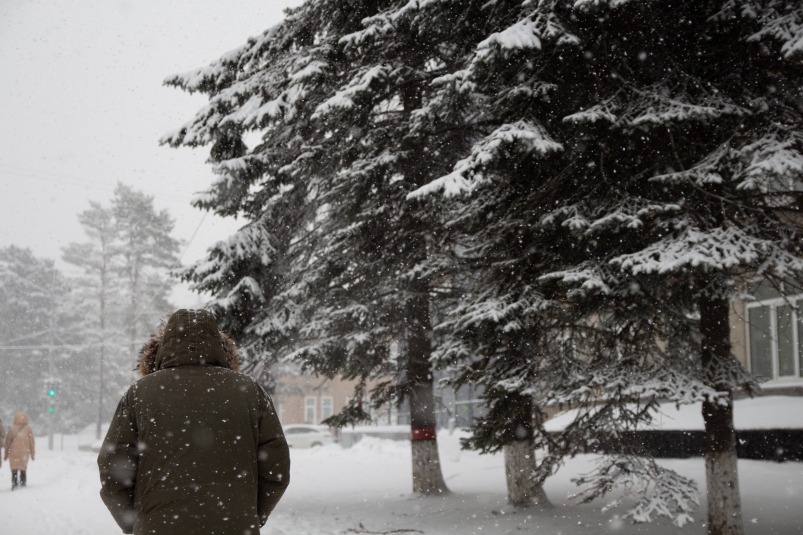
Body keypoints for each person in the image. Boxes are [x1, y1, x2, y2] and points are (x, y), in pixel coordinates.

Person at [97, 309, 290, 535]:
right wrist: (248, 513)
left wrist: (136, 521)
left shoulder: (140, 394)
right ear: (221, 346)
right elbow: (276, 467)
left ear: (161, 348)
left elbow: (114, 470)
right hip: (234, 526)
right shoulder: (248, 391)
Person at [5, 412, 35, 490]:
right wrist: (32, 453)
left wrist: (6, 454)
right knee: (23, 467)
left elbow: (8, 442)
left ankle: (14, 482)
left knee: (14, 467)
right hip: (24, 452)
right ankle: (23, 481)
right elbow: (32, 442)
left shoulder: (12, 428)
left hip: (14, 452)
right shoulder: (28, 429)